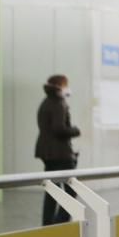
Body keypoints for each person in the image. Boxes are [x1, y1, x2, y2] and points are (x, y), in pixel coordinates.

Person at [35, 74, 80, 226]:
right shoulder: (59, 103)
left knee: (52, 190)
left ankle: (48, 224)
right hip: (61, 153)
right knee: (71, 190)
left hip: (47, 153)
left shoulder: (46, 102)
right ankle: (60, 223)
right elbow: (59, 129)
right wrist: (76, 130)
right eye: (66, 84)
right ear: (60, 86)